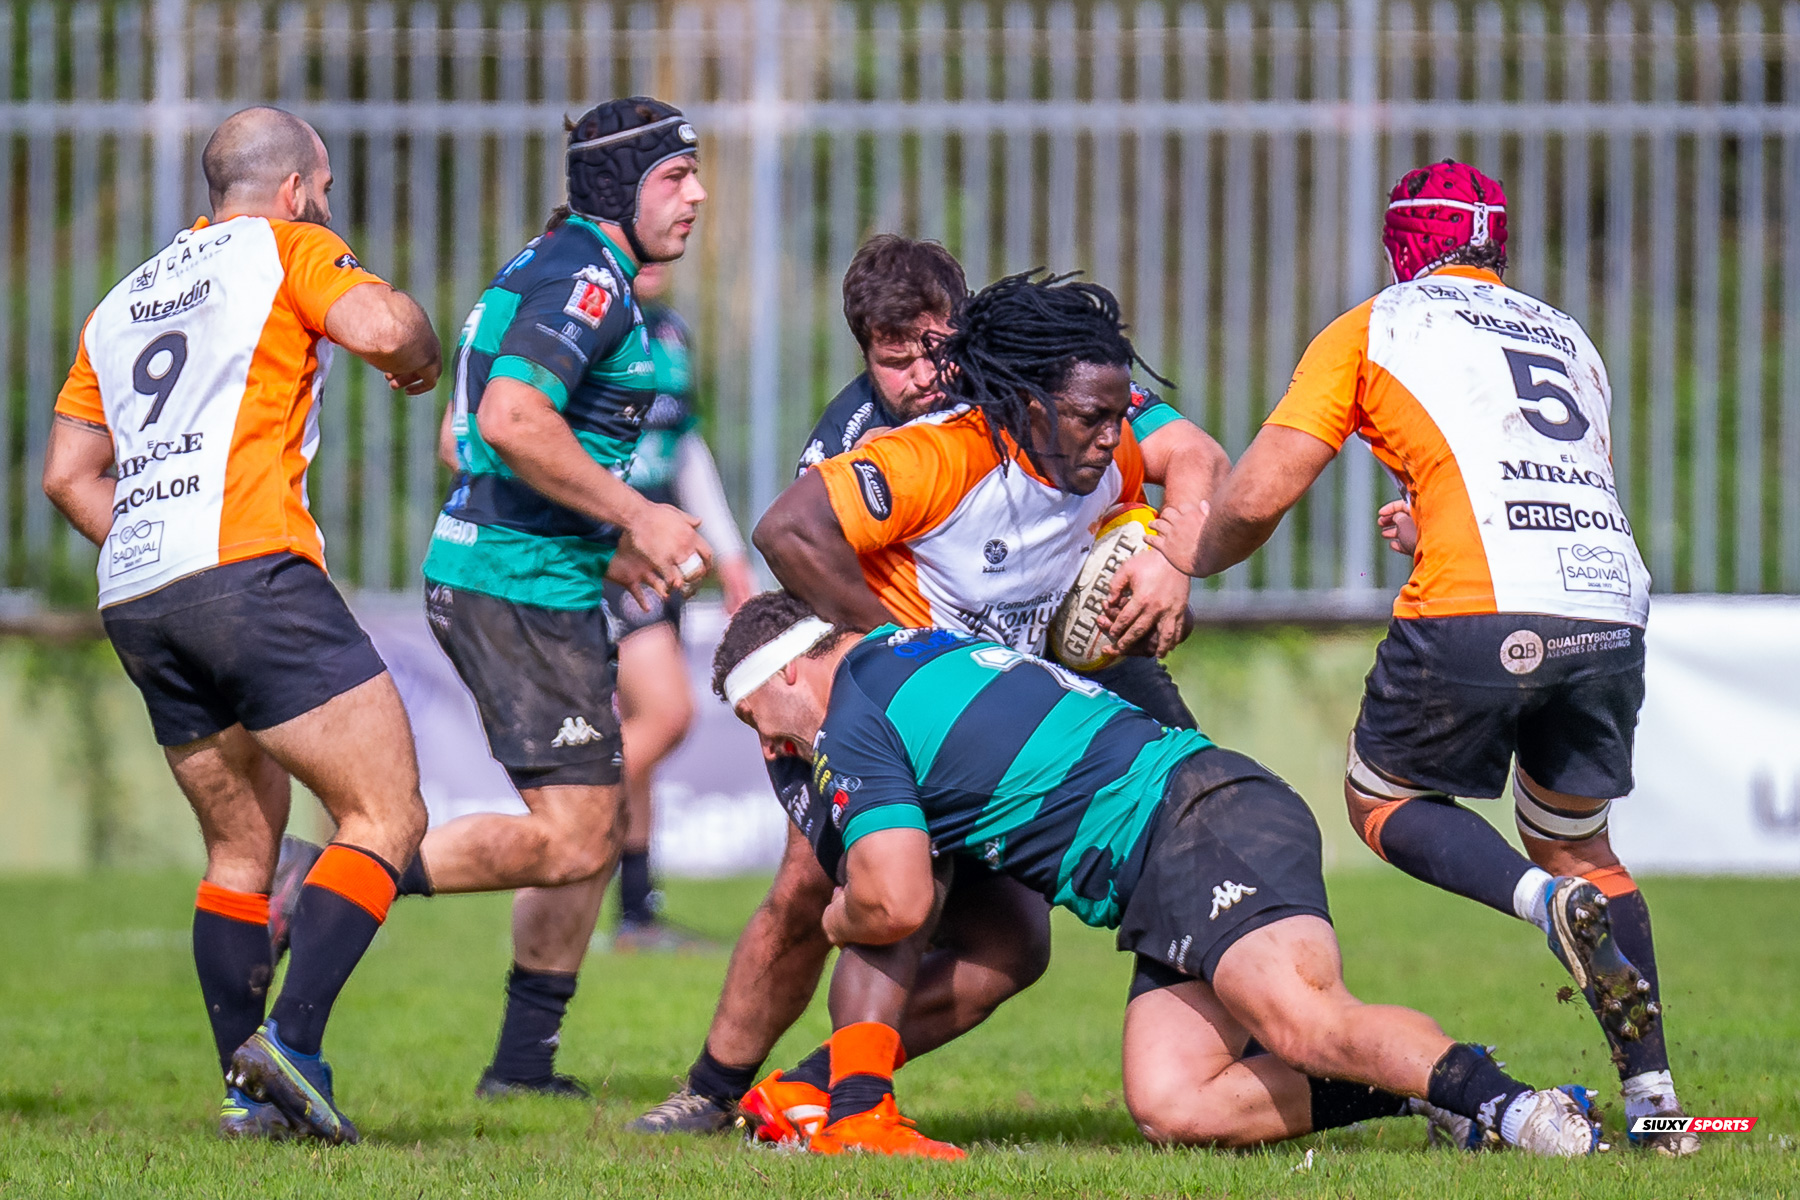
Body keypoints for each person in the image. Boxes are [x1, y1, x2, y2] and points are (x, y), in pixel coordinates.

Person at [1151, 160, 1693, 1156]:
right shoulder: (1566, 335)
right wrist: (1430, 523)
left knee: (1380, 796)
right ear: (1497, 244)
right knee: (1581, 840)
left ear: (1404, 245)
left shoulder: (1377, 326)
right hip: (1610, 605)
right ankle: (1656, 1099)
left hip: (1481, 607)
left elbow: (1263, 492)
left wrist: (1196, 550)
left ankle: (1541, 903)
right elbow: (1549, 479)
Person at [632, 253, 1230, 1135]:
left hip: (1037, 659)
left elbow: (1199, 456)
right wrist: (907, 656)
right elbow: (790, 539)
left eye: (932, 347)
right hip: (902, 696)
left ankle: (807, 1087)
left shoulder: (1048, 383)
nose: (918, 374)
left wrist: (1171, 559)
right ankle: (715, 1092)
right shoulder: (865, 443)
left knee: (1166, 838)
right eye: (892, 356)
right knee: (829, 889)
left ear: (969, 327)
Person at [712, 592, 1607, 1159]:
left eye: (761, 717)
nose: (769, 745)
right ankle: (1440, 1088)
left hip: (1195, 818)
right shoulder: (907, 651)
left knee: (1298, 1018)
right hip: (1169, 854)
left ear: (793, 669)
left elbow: (895, 898)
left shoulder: (853, 714)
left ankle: (1525, 1113)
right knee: (1176, 1103)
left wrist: (833, 918)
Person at [277, 97, 711, 1099]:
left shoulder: (541, 266)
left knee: (586, 830)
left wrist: (598, 543)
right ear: (617, 187)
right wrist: (636, 518)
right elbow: (512, 422)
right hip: (518, 590)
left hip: (524, 573)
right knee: (575, 836)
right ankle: (329, 878)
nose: (695, 196)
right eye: (673, 177)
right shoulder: (590, 284)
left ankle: (522, 1066)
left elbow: (460, 438)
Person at [41, 106, 441, 1143]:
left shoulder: (123, 299)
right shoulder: (290, 245)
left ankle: (244, 1098)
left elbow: (65, 475)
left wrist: (153, 545)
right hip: (248, 567)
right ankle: (292, 1046)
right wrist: (416, 359)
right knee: (386, 813)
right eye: (329, 191)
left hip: (138, 589)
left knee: (238, 853)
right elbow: (384, 329)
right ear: (301, 188)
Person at [601, 260, 755, 949]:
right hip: (605, 554)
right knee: (666, 715)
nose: (668, 253)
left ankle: (635, 912)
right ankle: (563, 821)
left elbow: (682, 443)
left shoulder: (669, 331)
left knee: (642, 725)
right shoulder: (587, 328)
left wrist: (728, 552)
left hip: (656, 554)